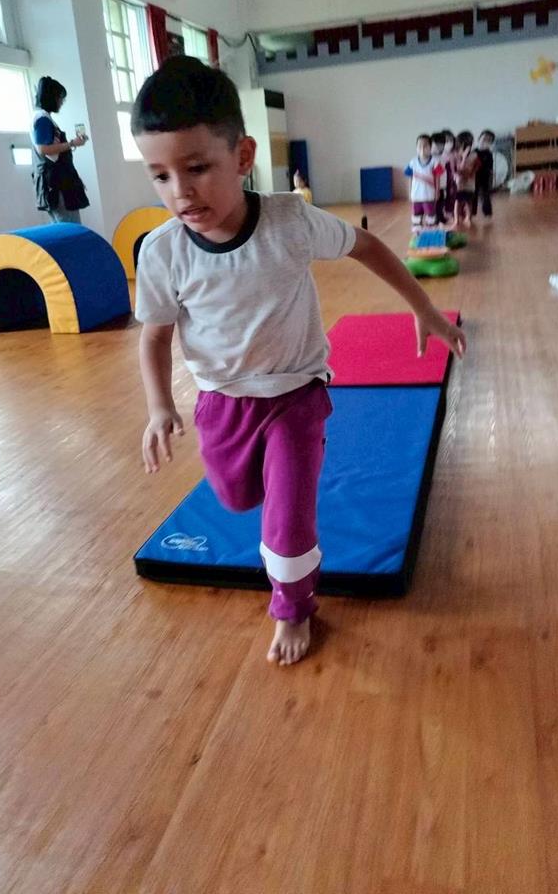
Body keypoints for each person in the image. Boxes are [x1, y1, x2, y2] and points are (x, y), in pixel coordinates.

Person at [131, 57, 466, 667]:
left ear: (242, 156)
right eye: (160, 175)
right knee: (236, 498)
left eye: (197, 167)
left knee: (286, 519)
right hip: (221, 402)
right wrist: (159, 406)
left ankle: (292, 606)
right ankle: (270, 484)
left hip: (295, 397)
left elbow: (365, 245)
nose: (180, 191)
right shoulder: (162, 253)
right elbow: (154, 338)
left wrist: (423, 307)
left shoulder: (289, 221)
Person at [32, 77, 89, 224]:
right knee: (70, 229)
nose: (62, 101)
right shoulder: (42, 119)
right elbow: (43, 149)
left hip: (57, 182)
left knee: (65, 227)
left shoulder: (44, 118)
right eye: (60, 97)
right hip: (57, 185)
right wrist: (72, 143)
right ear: (52, 97)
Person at [404, 133, 441, 231]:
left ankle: (430, 232)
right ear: (416, 147)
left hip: (429, 195)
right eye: (419, 146)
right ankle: (418, 232)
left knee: (430, 215)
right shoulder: (413, 162)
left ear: (430, 147)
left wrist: (437, 191)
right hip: (416, 195)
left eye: (425, 146)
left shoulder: (435, 161)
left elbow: (437, 178)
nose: (422, 148)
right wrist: (409, 192)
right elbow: (410, 178)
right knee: (416, 215)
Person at [453, 131, 479, 228]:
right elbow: (458, 169)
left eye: (468, 145)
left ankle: (468, 218)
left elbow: (473, 170)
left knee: (469, 202)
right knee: (457, 202)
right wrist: (463, 158)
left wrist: (469, 173)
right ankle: (456, 219)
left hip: (470, 184)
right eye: (462, 145)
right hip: (459, 184)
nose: (465, 148)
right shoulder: (456, 155)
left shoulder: (474, 155)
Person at [474, 130, 495, 220]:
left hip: (485, 177)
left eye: (489, 140)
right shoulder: (473, 152)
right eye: (484, 138)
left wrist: (491, 177)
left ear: (491, 143)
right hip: (474, 177)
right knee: (474, 195)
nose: (485, 141)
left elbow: (490, 167)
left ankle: (487, 212)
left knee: (486, 195)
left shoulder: (489, 154)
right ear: (479, 139)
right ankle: (472, 212)